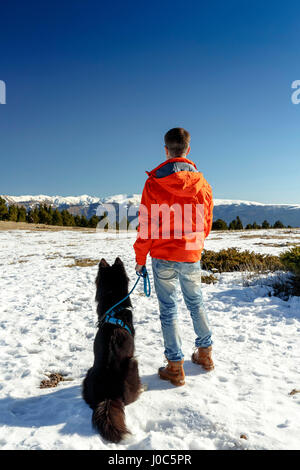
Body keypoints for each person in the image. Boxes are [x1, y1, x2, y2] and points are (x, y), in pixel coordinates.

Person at [133, 128, 214, 386]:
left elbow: (146, 225)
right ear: (188, 150)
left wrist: (140, 257)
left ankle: (175, 366)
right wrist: (195, 245)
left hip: (163, 254)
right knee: (196, 302)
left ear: (166, 150)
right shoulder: (202, 184)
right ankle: (205, 355)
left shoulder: (153, 182)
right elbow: (207, 223)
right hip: (190, 252)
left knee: (169, 309)